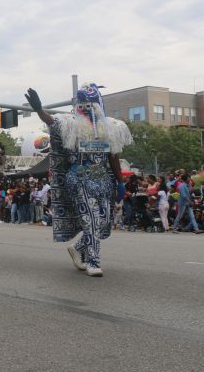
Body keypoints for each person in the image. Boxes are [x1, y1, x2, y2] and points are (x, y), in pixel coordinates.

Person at [25, 84, 132, 277]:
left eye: (91, 104)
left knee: (102, 222)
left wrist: (120, 182)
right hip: (80, 179)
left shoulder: (109, 128)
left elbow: (113, 157)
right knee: (90, 220)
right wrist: (39, 109)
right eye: (83, 104)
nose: (87, 108)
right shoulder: (71, 124)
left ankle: (77, 248)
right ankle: (93, 261)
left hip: (104, 182)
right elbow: (51, 121)